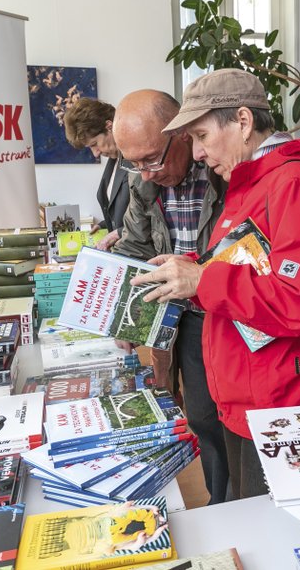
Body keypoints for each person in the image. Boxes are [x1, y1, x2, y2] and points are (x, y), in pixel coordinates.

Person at [132, 69, 300, 500]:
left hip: (285, 403)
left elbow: (298, 301)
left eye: (201, 135)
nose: (196, 153)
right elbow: (250, 261)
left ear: (243, 122)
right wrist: (192, 265)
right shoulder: (251, 182)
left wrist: (203, 277)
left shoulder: (293, 185)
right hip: (247, 396)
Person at [108, 89, 231, 505]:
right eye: (134, 162)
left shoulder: (223, 169)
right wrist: (120, 317)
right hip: (187, 321)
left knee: (235, 421)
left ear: (180, 134)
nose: (144, 173)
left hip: (233, 314)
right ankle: (220, 502)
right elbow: (133, 247)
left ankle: (243, 502)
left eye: (151, 159)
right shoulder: (143, 184)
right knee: (201, 417)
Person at [63, 97, 129, 251]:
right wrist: (103, 225)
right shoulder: (114, 160)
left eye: (94, 144)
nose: (95, 153)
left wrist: (117, 233)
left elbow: (146, 215)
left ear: (109, 126)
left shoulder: (137, 161)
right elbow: (121, 210)